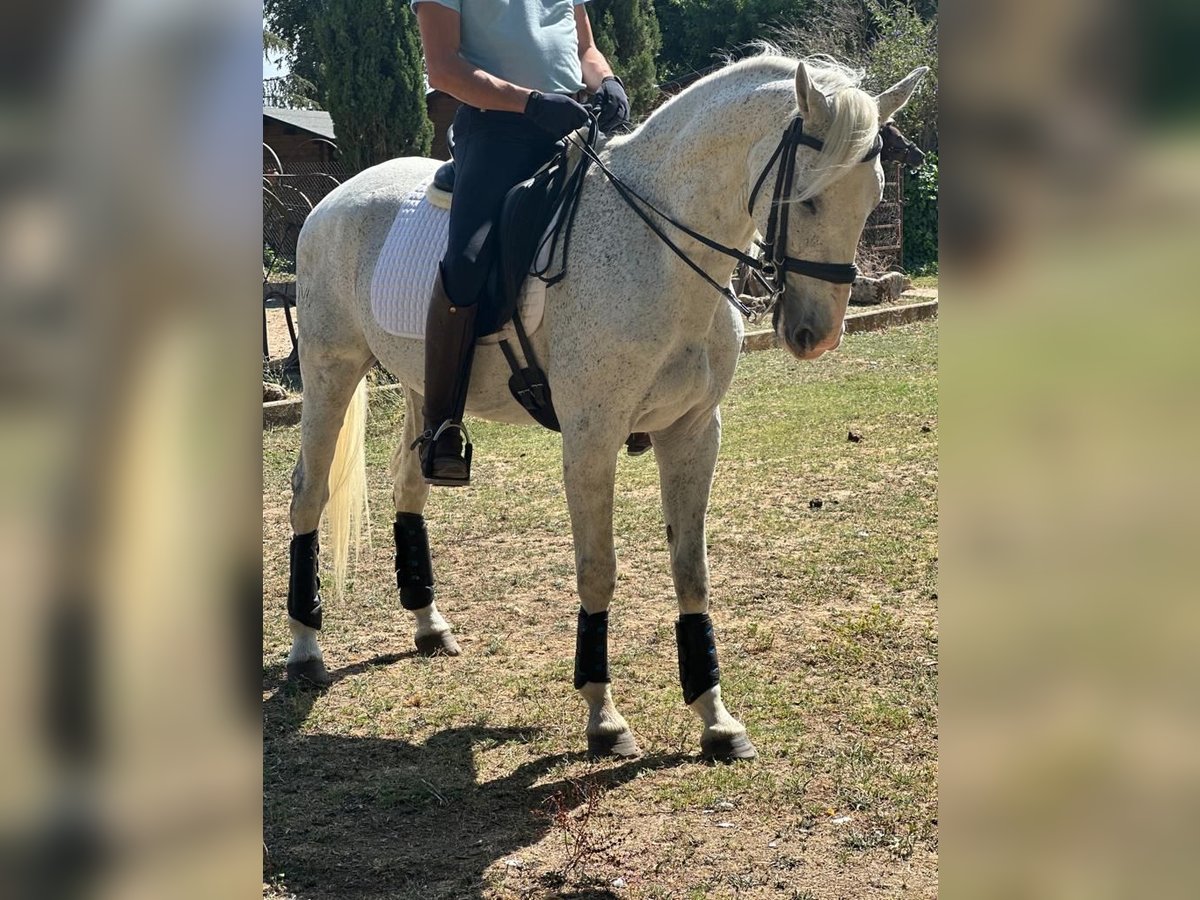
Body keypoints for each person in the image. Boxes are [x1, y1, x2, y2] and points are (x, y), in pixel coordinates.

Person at [412, 0, 632, 486]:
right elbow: (444, 68)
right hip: (496, 131)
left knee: (629, 227)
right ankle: (441, 425)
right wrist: (530, 102)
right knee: (466, 261)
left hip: (573, 123)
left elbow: (586, 48)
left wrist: (607, 81)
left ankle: (636, 386)